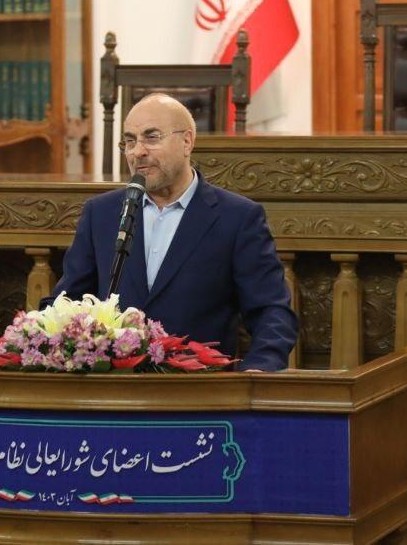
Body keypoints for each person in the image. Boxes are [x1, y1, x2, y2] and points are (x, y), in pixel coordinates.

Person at [49, 93, 297, 371]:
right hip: (115, 385)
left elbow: (271, 312)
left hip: (200, 387)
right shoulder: (102, 213)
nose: (137, 151)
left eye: (151, 137)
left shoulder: (237, 218)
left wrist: (257, 372)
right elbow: (65, 303)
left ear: (187, 141)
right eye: (129, 141)